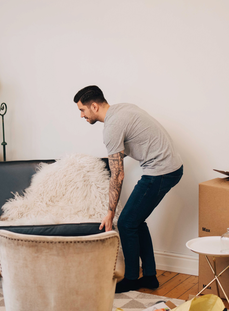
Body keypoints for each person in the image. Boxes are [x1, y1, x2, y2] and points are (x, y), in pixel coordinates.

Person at [74, 85, 183, 293]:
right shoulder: (122, 109)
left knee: (125, 223)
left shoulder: (112, 127)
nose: (81, 115)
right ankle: (150, 277)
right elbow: (122, 151)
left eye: (82, 110)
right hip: (170, 167)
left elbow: (118, 174)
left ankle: (132, 279)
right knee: (136, 221)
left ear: (94, 106)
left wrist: (110, 212)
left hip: (161, 171)